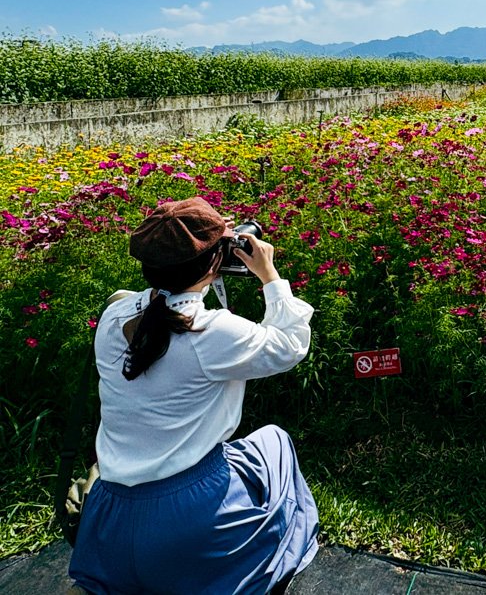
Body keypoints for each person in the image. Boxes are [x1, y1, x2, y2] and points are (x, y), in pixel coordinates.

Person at [69, 198, 318, 595]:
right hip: (184, 517)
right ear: (214, 263)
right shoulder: (211, 332)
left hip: (109, 521)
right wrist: (269, 275)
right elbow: (290, 345)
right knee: (275, 443)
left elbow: (156, 314)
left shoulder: (114, 317)